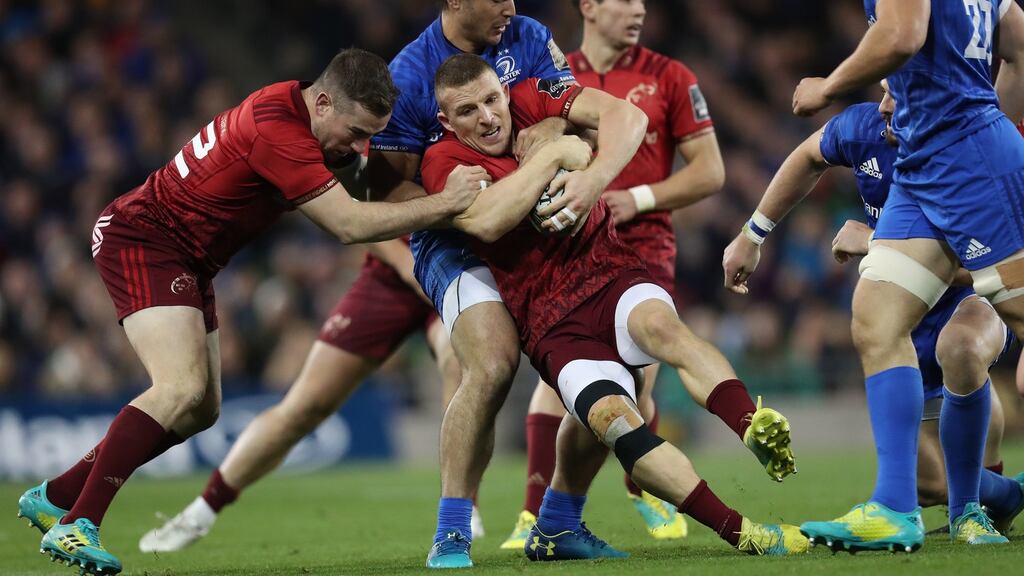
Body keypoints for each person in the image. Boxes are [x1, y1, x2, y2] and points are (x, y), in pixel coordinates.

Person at [14, 48, 482, 576]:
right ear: (324, 102)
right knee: (178, 388)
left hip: (191, 258)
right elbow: (348, 226)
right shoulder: (277, 132)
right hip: (144, 238)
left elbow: (359, 189)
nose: (359, 148)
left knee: (203, 408)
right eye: (355, 132)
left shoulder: (301, 108)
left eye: (369, 135)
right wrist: (450, 202)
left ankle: (57, 494)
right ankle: (80, 523)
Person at [422, 53, 808, 564]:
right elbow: (490, 220)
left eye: (492, 99)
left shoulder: (533, 95)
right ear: (446, 122)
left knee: (663, 328)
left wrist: (592, 171)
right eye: (468, 111)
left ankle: (750, 424)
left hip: (608, 271)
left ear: (503, 89)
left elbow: (629, 119)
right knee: (611, 421)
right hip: (550, 322)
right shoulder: (443, 162)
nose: (489, 117)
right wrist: (555, 150)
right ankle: (741, 532)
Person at [723, 83, 1024, 542]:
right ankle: (1004, 496)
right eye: (885, 89)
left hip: (967, 306)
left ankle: (968, 515)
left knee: (959, 346)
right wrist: (753, 233)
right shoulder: (863, 126)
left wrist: (875, 241)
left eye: (899, 95)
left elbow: (995, 262)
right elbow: (807, 156)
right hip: (904, 330)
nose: (885, 104)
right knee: (927, 486)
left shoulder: (971, 149)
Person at [788, 0, 1024, 551]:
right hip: (928, 163)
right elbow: (1015, 37)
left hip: (965, 155)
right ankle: (895, 508)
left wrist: (828, 87)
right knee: (876, 314)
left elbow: (900, 34)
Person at [362, 1, 588, 569]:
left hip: (534, 232)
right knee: (490, 366)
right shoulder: (408, 77)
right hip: (454, 246)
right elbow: (387, 196)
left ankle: (559, 520)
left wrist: (548, 133)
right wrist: (464, 210)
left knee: (604, 354)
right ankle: (452, 531)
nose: (510, 5)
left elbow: (572, 109)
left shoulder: (531, 35)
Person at [500, 0, 726, 547]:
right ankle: (535, 516)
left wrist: (639, 196)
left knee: (637, 378)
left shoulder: (670, 76)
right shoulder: (553, 77)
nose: (639, 10)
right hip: (569, 243)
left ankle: (639, 485)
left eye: (642, 3)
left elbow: (711, 172)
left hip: (643, 243)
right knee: (561, 382)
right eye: (623, 0)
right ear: (590, 7)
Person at [132, 236, 475, 552]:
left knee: (459, 360)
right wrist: (406, 264)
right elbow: (363, 211)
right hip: (391, 276)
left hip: (455, 264)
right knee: (303, 406)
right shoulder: (383, 170)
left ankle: (462, 507)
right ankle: (200, 512)